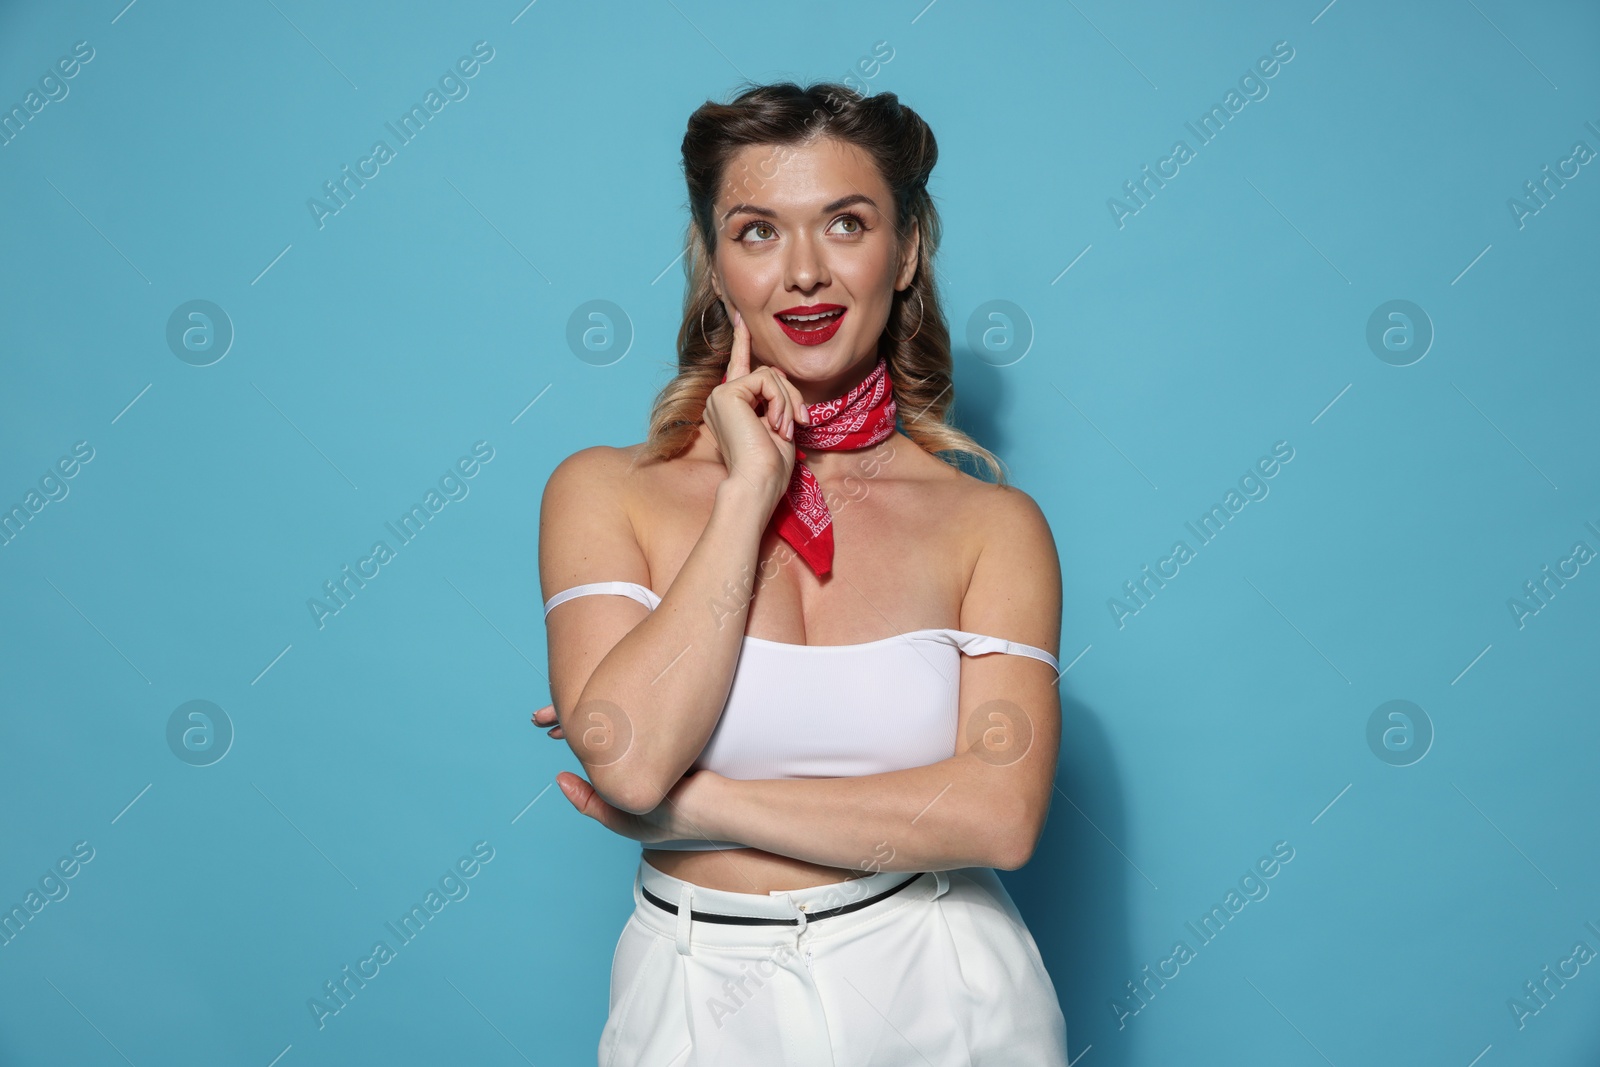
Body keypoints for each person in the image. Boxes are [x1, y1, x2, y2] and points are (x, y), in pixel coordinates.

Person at [532, 81, 1069, 1065]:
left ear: (904, 250)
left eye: (846, 223)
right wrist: (747, 495)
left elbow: (999, 817)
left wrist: (694, 806)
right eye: (758, 232)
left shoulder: (991, 524)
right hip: (698, 987)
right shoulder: (605, 493)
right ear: (714, 262)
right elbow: (634, 758)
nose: (806, 273)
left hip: (945, 976)